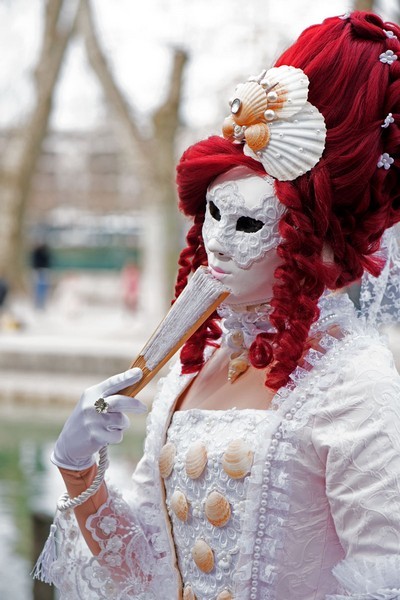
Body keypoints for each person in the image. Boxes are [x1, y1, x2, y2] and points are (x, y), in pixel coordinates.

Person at [36, 11, 400, 599]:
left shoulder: (353, 386)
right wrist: (79, 470)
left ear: (317, 240)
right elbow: (146, 570)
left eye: (251, 220)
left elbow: (388, 581)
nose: (219, 240)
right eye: (213, 210)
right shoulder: (197, 366)